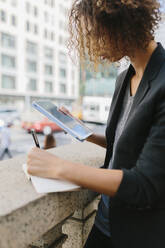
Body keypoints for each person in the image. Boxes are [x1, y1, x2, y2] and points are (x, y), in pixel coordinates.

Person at [27, 1, 165, 247]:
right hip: (104, 219)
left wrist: (59, 167)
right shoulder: (125, 78)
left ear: (120, 23)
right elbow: (124, 147)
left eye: (94, 35)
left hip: (139, 233)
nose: (91, 46)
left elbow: (146, 185)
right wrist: (84, 132)